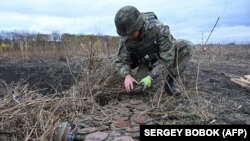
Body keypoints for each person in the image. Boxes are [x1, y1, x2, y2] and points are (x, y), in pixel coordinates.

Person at [114, 5, 194, 95]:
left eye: (131, 33)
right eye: (125, 34)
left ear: (138, 26)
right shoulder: (126, 38)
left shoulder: (158, 28)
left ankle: (170, 81)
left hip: (162, 56)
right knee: (142, 88)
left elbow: (167, 57)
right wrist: (127, 75)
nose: (129, 37)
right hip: (146, 62)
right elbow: (121, 61)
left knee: (187, 46)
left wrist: (151, 76)